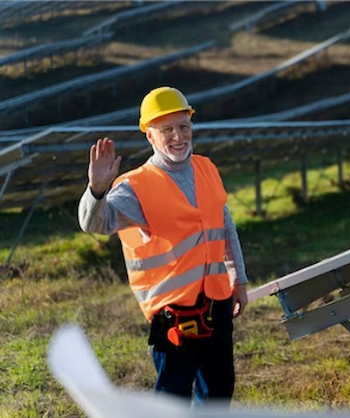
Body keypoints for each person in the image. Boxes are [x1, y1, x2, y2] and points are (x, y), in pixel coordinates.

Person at [78, 86, 249, 405]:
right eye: (166, 130)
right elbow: (95, 223)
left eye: (183, 127)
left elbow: (225, 227)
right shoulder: (134, 187)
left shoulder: (206, 168)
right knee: (173, 399)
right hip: (172, 312)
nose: (178, 136)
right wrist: (97, 190)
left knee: (219, 393)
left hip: (217, 300)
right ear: (150, 137)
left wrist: (238, 278)